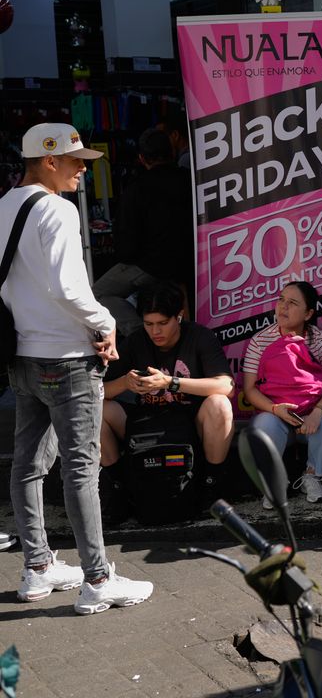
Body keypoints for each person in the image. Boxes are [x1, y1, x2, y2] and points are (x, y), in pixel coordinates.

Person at [4, 122, 153, 614]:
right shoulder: (58, 209)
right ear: (49, 161)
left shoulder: (4, 206)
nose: (83, 171)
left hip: (23, 354)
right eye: (76, 161)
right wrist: (104, 322)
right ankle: (97, 578)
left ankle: (38, 567)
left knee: (28, 464)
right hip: (67, 357)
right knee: (81, 469)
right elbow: (67, 287)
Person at [100, 282, 235, 506]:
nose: (155, 331)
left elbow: (227, 386)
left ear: (178, 317)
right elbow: (97, 391)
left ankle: (212, 484)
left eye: (163, 323)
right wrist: (125, 383)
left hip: (192, 425)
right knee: (96, 408)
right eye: (149, 324)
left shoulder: (199, 336)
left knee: (219, 404)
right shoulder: (136, 341)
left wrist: (170, 382)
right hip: (146, 426)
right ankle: (119, 487)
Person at [242, 281, 322, 506]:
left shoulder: (320, 339)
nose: (283, 306)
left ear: (308, 314)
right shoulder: (260, 340)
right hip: (276, 416)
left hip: (310, 419)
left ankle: (312, 476)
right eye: (281, 300)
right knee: (262, 426)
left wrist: (318, 412)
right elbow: (249, 389)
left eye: (292, 303)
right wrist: (275, 409)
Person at [93, 128, 195, 337]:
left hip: (151, 265)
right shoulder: (190, 180)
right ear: (172, 152)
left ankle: (142, 336)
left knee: (97, 294)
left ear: (141, 158)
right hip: (191, 260)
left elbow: (126, 245)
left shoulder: (137, 188)